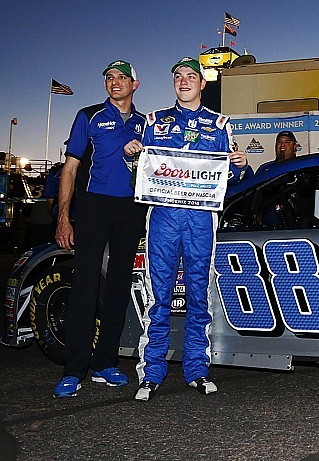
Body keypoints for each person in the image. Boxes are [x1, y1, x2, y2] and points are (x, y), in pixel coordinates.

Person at [125, 57, 248, 401]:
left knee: (199, 297)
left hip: (200, 221)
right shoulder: (154, 121)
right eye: (177, 76)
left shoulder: (220, 124)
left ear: (202, 83)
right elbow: (138, 172)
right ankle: (151, 373)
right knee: (157, 298)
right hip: (163, 218)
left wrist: (240, 164)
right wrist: (130, 153)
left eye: (190, 76)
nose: (183, 81)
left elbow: (230, 176)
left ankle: (197, 370)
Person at [52, 60, 147, 398]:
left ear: (135, 84)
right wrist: (64, 217)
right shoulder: (88, 115)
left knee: (119, 287)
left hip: (131, 209)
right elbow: (70, 168)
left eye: (122, 77)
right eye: (109, 77)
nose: (115, 82)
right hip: (93, 205)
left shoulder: (145, 123)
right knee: (85, 287)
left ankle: (105, 363)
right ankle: (74, 369)